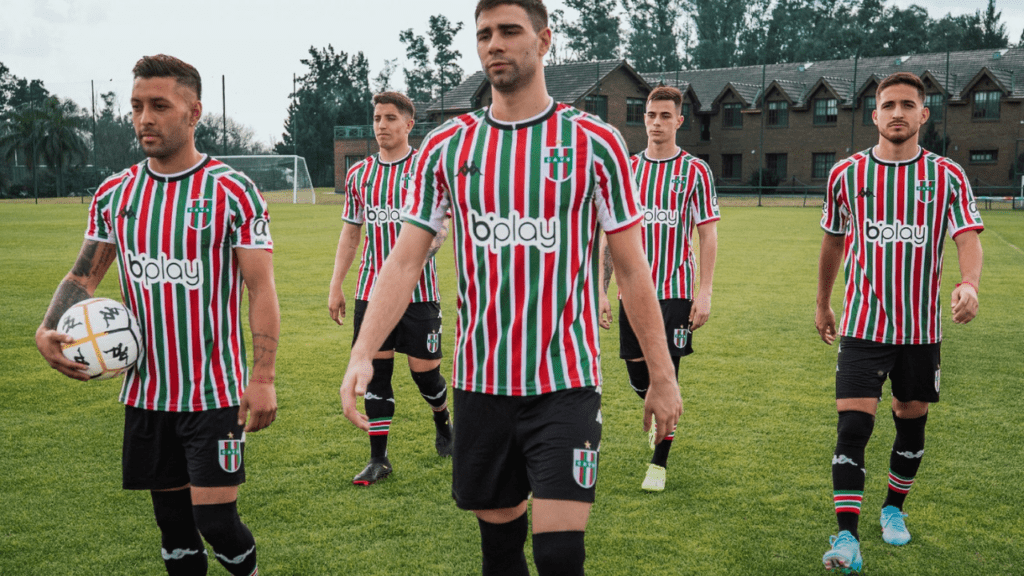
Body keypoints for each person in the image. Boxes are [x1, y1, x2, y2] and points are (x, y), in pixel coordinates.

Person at [339, 1, 682, 574]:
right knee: (499, 553)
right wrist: (361, 351)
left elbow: (631, 269)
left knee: (559, 555)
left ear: (544, 40)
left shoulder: (595, 143)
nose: (494, 43)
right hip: (481, 384)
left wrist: (663, 376)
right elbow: (403, 261)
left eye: (508, 30)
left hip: (565, 382)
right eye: (484, 34)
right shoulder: (448, 146)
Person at [35, 54, 279, 576]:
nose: (144, 118)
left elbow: (261, 290)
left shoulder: (232, 191)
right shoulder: (115, 193)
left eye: (160, 106)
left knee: (216, 522)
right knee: (173, 528)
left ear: (194, 112)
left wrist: (262, 377)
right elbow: (83, 277)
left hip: (214, 393)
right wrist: (48, 327)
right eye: (137, 106)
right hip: (146, 394)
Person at [816, 71, 983, 574]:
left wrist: (970, 283)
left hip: (920, 332)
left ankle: (893, 508)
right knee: (853, 426)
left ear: (923, 114)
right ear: (874, 115)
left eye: (908, 105)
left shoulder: (947, 175)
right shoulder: (846, 174)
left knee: (911, 426)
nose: (897, 113)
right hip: (862, 326)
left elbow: (967, 236)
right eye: (888, 105)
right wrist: (823, 302)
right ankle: (847, 537)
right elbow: (833, 241)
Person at [328, 91, 452, 486]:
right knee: (376, 375)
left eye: (391, 118)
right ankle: (378, 458)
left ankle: (443, 422)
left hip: (420, 294)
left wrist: (420, 256)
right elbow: (350, 235)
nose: (382, 125)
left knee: (425, 377)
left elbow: (442, 229)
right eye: (377, 118)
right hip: (370, 293)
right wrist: (336, 285)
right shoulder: (360, 175)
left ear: (409, 124)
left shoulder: (426, 170)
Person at [603, 85, 719, 492]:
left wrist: (705, 291)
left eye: (665, 116)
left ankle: (659, 463)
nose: (656, 122)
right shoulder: (628, 170)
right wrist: (601, 289)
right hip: (631, 293)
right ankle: (662, 409)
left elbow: (707, 233)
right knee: (640, 377)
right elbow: (608, 235)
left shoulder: (695, 171)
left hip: (675, 290)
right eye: (651, 115)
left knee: (667, 371)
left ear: (679, 121)